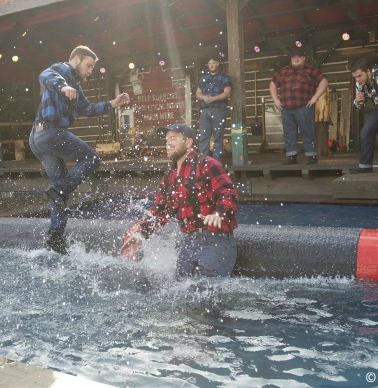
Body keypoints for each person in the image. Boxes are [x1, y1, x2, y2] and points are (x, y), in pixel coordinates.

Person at [29, 45, 130, 254]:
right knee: (92, 158)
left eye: (92, 67)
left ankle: (55, 237)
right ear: (76, 59)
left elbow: (87, 109)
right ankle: (59, 192)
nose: (90, 70)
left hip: (38, 138)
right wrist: (62, 85)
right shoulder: (64, 70)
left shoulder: (76, 86)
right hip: (50, 133)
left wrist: (112, 103)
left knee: (61, 188)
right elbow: (45, 75)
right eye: (89, 65)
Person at [121, 123, 239, 278]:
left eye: (174, 138)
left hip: (215, 240)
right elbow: (160, 211)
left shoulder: (207, 164)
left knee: (211, 294)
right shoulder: (169, 176)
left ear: (188, 142)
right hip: (189, 241)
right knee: (182, 287)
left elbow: (228, 192)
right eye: (166, 139)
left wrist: (220, 213)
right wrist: (139, 234)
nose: (168, 143)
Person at [269, 47, 328, 165]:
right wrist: (275, 99)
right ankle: (291, 156)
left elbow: (324, 82)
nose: (296, 59)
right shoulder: (283, 71)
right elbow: (272, 84)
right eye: (294, 57)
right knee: (288, 132)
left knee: (307, 131)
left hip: (303, 106)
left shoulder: (311, 70)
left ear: (303, 58)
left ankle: (311, 156)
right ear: (291, 59)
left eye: (299, 57)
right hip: (286, 107)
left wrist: (315, 98)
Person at [196, 55, 232, 164]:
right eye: (210, 63)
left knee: (218, 136)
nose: (211, 65)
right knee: (204, 136)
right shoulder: (203, 78)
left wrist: (214, 99)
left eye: (214, 63)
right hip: (205, 110)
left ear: (218, 64)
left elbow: (227, 93)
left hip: (218, 109)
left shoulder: (224, 77)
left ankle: (217, 161)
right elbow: (198, 93)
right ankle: (203, 160)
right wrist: (204, 98)